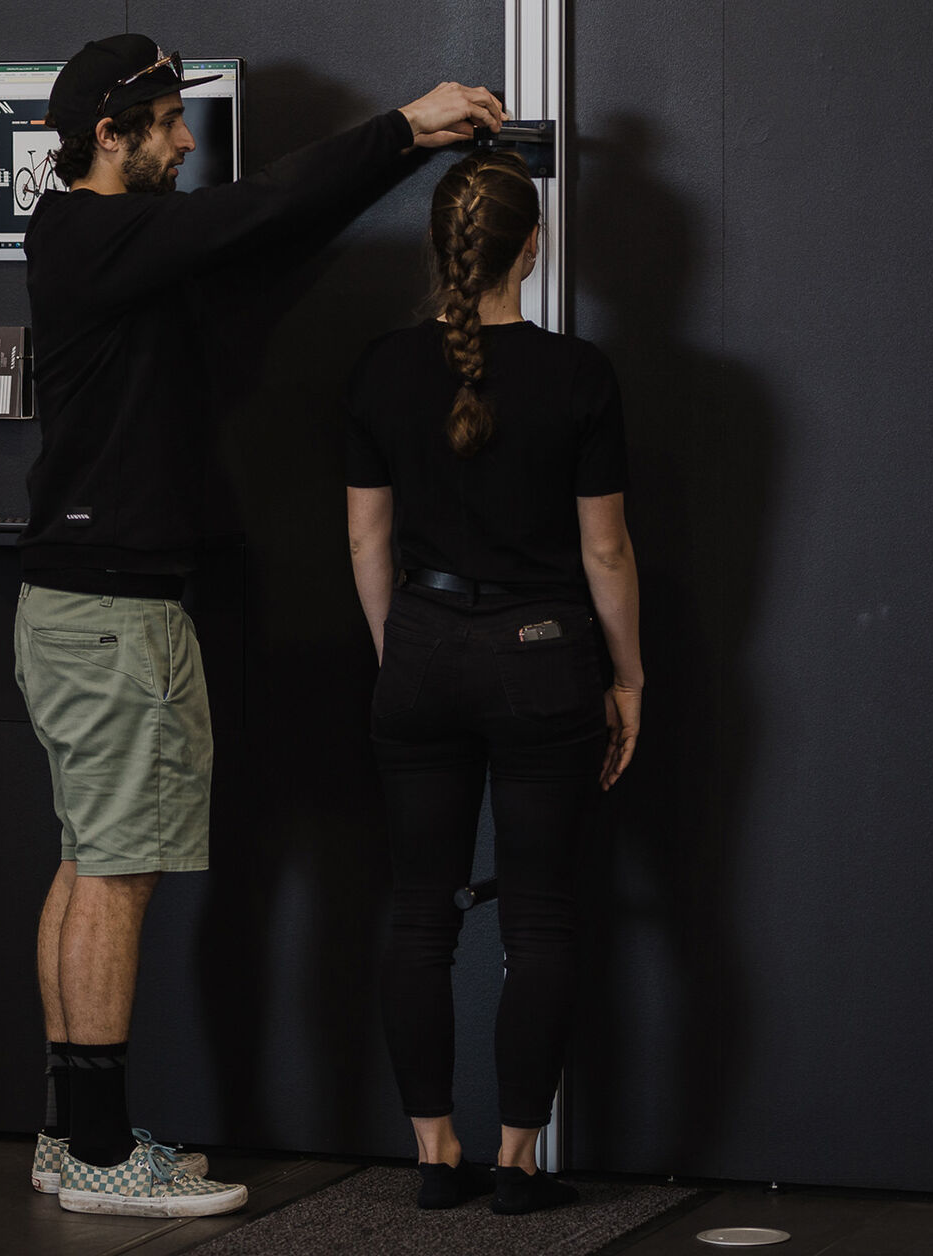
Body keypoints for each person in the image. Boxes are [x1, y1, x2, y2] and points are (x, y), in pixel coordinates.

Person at [16, 31, 505, 1219]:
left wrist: (400, 147)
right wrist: (404, 126)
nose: (187, 141)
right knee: (116, 874)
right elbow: (261, 209)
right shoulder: (93, 233)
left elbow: (266, 223)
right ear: (107, 134)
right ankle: (91, 1155)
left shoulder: (100, 240)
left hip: (88, 606)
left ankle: (71, 1132)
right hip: (114, 615)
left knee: (89, 862)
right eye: (168, 123)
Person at [343, 149, 643, 1215]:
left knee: (419, 915)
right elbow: (605, 554)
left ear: (440, 250)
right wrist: (630, 677)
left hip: (419, 646)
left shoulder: (380, 367)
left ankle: (434, 1154)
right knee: (542, 921)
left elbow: (367, 538)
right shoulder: (580, 374)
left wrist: (402, 646)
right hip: (544, 655)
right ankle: (516, 1163)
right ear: (533, 247)